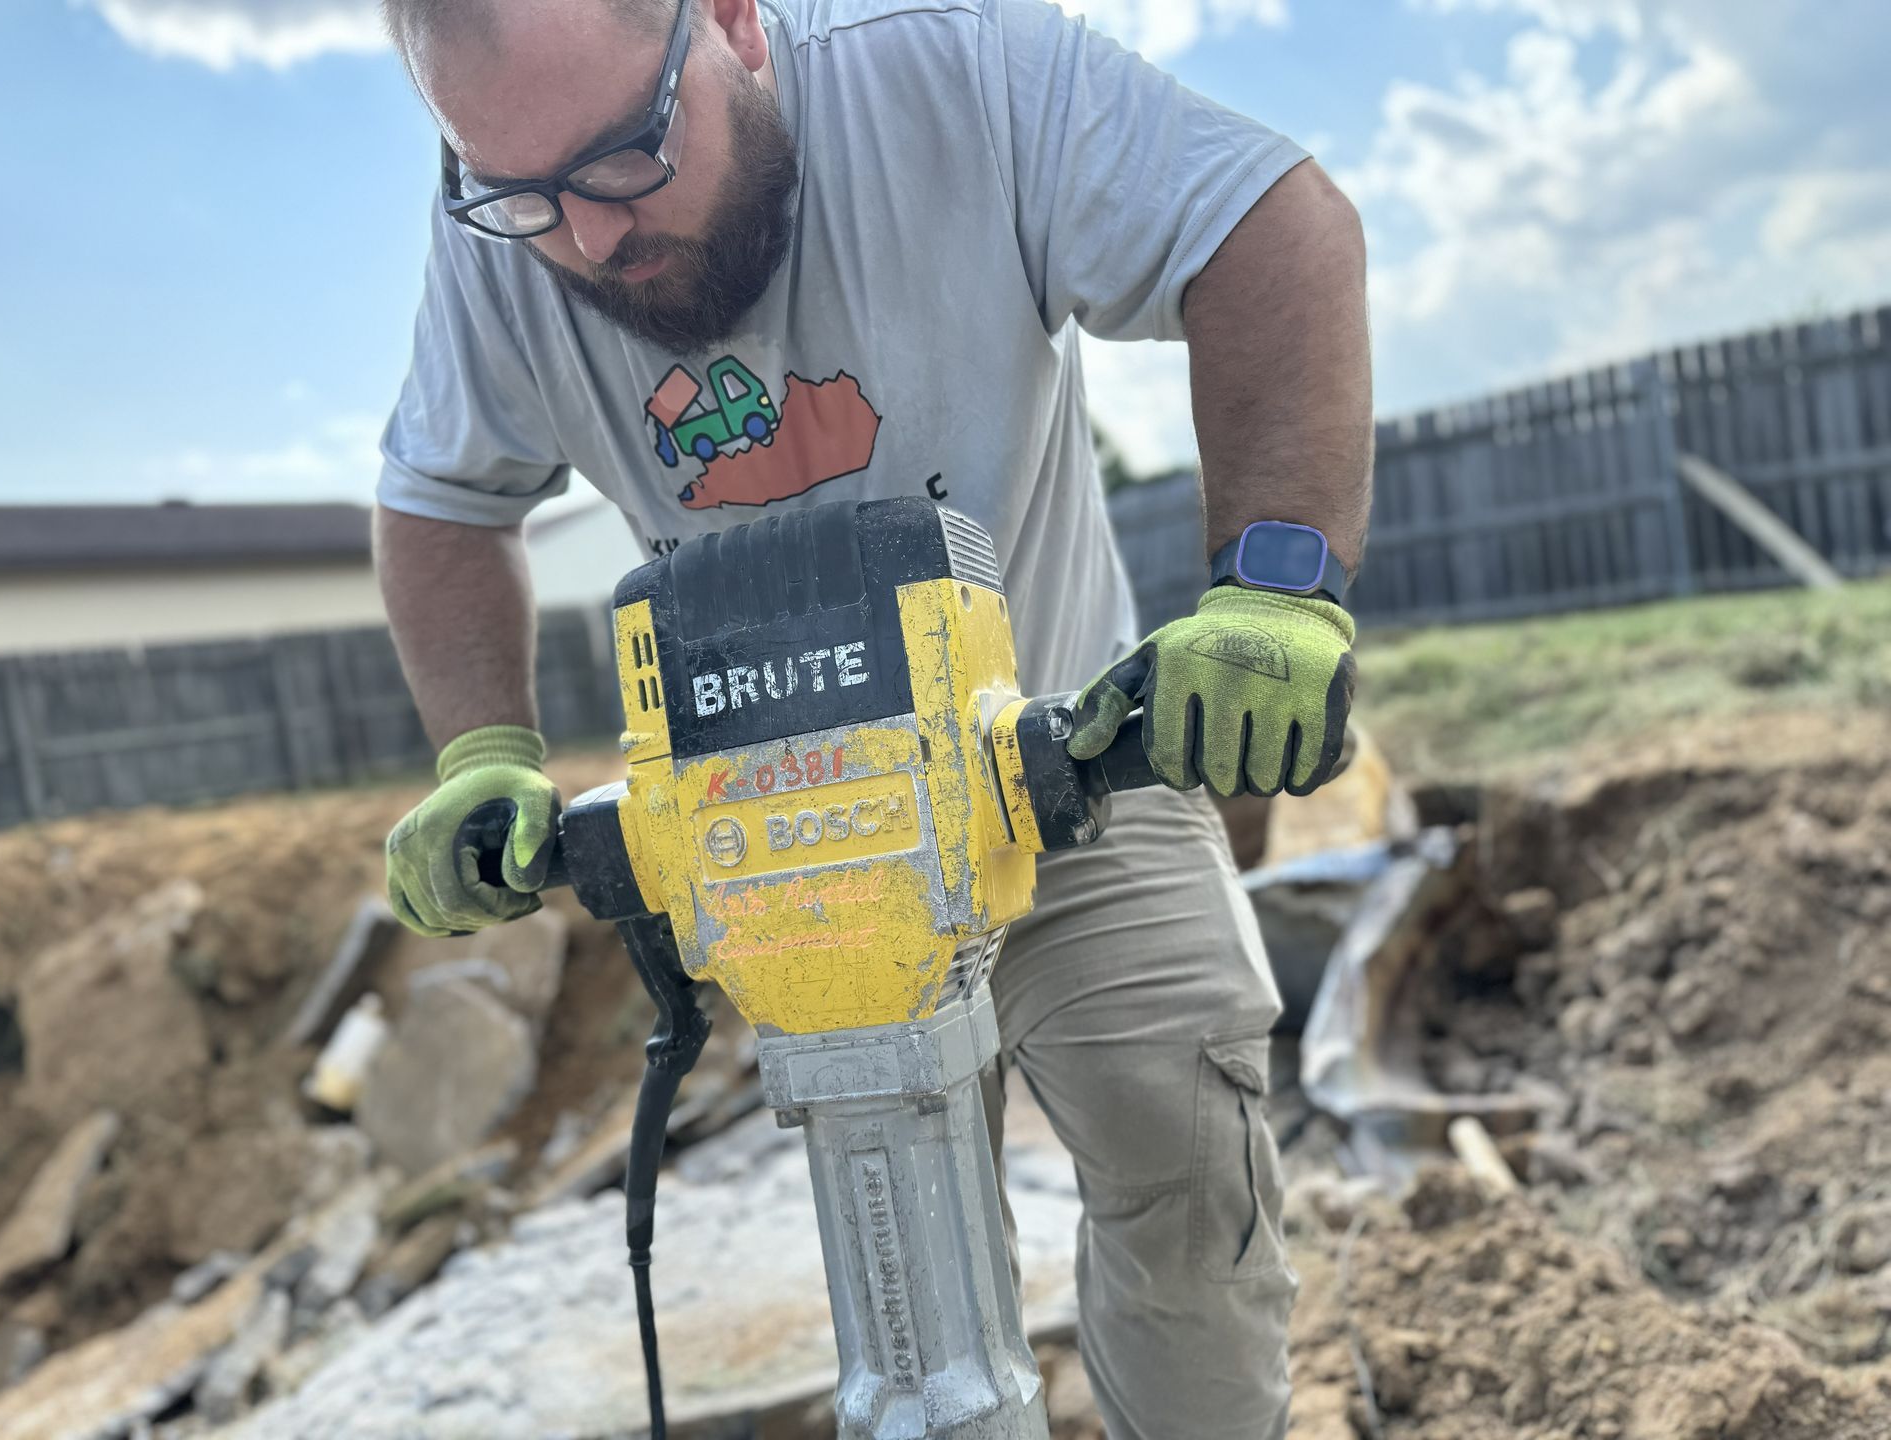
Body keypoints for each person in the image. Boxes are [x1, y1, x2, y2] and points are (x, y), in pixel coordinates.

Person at [376, 0, 1372, 1433]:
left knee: (1187, 1187)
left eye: (621, 159)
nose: (585, 236)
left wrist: (1274, 583)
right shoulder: (503, 220)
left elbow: (1267, 223)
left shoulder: (950, 72)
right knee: (909, 1265)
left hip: (1066, 771)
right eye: (524, 194)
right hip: (797, 853)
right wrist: (483, 751)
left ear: (731, 23)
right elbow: (439, 499)